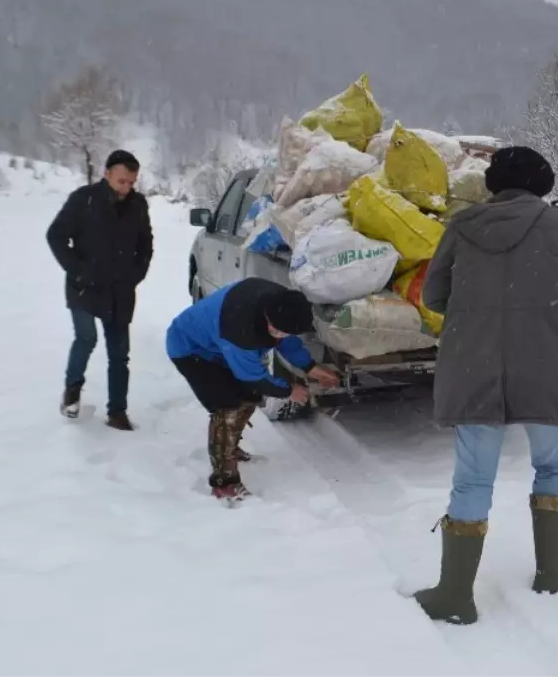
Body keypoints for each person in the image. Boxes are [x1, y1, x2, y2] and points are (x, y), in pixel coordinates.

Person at [411, 146, 558, 625]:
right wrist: (553, 292)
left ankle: (455, 595)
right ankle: (552, 572)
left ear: (493, 184)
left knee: (473, 479)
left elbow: (434, 295)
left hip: (474, 366)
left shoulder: (462, 226)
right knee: (554, 466)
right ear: (541, 184)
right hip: (546, 364)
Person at [165, 277, 339, 502]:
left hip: (220, 348)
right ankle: (224, 481)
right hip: (191, 349)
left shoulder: (282, 305)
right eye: (276, 331)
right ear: (268, 317)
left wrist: (310, 367)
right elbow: (252, 376)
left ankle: (229, 447)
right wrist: (288, 391)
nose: (279, 336)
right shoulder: (239, 327)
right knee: (227, 406)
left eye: (284, 332)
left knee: (250, 397)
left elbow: (287, 341)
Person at [46, 149, 153, 431]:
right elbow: (55, 236)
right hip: (84, 286)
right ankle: (72, 389)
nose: (127, 188)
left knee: (119, 353)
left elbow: (146, 245)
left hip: (120, 290)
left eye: (132, 182)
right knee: (86, 338)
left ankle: (117, 411)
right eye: (122, 182)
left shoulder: (138, 205)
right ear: (107, 174)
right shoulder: (84, 200)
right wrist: (79, 270)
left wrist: (135, 274)